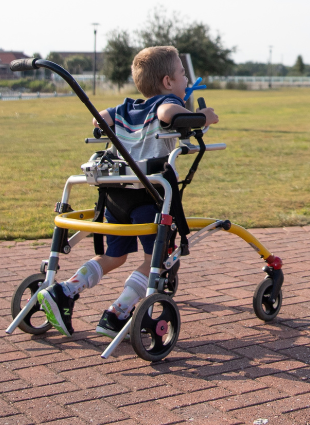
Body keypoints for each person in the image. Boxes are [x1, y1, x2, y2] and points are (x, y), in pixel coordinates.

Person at [37, 46, 219, 338]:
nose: (186, 79)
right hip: (148, 195)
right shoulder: (166, 102)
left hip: (116, 195)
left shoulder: (124, 109)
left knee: (114, 256)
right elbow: (168, 113)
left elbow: (99, 120)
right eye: (182, 74)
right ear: (167, 82)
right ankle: (117, 313)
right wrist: (202, 116)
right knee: (153, 259)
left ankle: (65, 290)